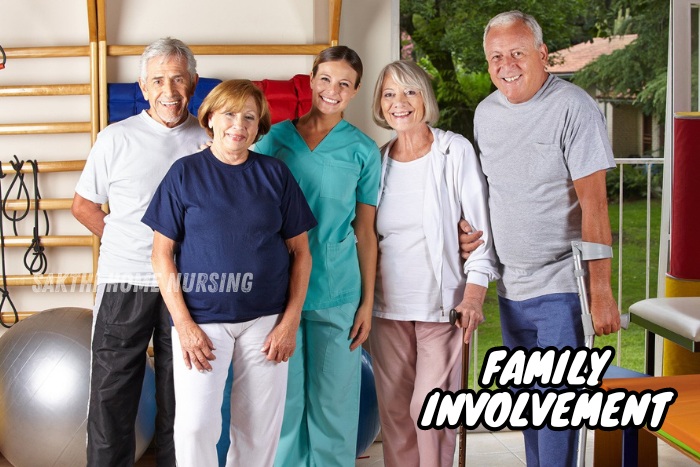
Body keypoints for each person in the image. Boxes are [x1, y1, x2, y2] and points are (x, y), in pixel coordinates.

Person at [461, 10, 621, 467]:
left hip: (562, 288)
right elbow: (491, 193)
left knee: (557, 412)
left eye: (517, 52)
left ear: (542, 55)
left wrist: (601, 290)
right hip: (512, 289)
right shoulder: (486, 113)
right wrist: (467, 230)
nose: (506, 64)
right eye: (496, 56)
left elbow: (595, 205)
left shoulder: (574, 107)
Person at [143, 79, 316, 467]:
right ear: (210, 118)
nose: (239, 124)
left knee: (258, 431)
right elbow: (161, 255)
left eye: (249, 117)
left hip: (267, 323)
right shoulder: (183, 174)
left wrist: (289, 322)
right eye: (229, 114)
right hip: (201, 323)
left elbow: (301, 254)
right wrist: (183, 324)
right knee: (194, 427)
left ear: (259, 127)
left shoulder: (276, 175)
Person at [72, 37, 207, 466]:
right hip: (123, 282)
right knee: (112, 397)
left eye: (178, 79)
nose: (169, 91)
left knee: (182, 398)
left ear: (194, 82)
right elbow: (83, 206)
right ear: (143, 87)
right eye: (158, 81)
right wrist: (126, 241)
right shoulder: (115, 138)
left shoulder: (209, 140)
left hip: (188, 287)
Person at [254, 45, 381, 467]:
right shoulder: (274, 139)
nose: (333, 90)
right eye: (325, 79)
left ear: (356, 91)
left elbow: (365, 230)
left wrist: (366, 302)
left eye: (345, 84)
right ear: (311, 80)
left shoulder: (363, 150)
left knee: (334, 408)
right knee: (285, 409)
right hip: (280, 292)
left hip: (338, 290)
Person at [368, 60, 499, 467]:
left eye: (409, 92)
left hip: (441, 310)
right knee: (393, 413)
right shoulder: (378, 159)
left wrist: (474, 295)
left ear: (425, 97)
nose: (399, 103)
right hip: (387, 309)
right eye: (389, 94)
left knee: (430, 414)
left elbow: (480, 234)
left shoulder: (453, 150)